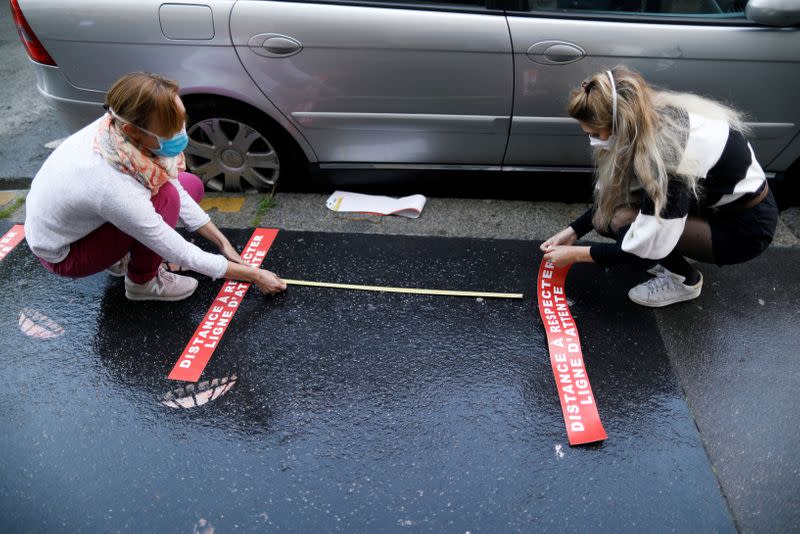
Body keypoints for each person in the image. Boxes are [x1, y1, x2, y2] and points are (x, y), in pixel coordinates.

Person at [24, 72, 287, 300]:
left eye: (181, 119)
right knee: (166, 200)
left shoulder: (118, 131)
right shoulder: (110, 184)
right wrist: (254, 275)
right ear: (134, 130)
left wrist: (223, 244)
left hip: (81, 224)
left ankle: (119, 257)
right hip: (67, 253)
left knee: (188, 184)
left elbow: (174, 185)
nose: (181, 132)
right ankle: (143, 283)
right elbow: (178, 250)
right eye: (170, 129)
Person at [541, 66, 777, 307]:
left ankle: (685, 282)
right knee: (611, 216)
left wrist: (576, 255)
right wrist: (572, 232)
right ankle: (671, 260)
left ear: (619, 124)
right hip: (717, 205)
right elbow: (615, 199)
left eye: (596, 134)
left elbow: (642, 249)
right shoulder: (649, 116)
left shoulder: (668, 158)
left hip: (744, 230)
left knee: (621, 221)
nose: (593, 142)